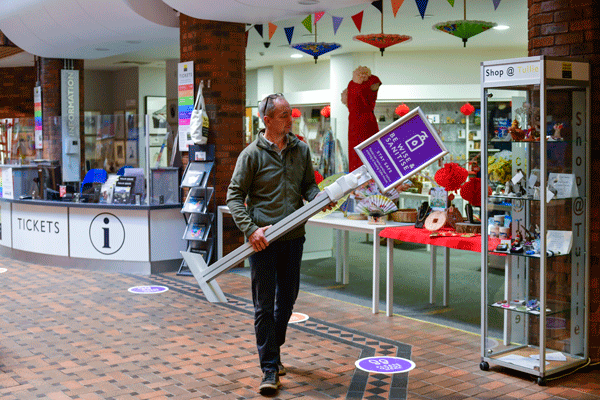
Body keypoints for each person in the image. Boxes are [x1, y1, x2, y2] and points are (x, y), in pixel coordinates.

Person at [227, 93, 333, 395]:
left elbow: (308, 185)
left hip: (293, 237)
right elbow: (234, 196)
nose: (290, 119)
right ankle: (270, 368)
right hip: (263, 241)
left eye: (291, 114)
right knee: (263, 305)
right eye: (284, 115)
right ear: (268, 119)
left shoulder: (300, 149)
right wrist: (250, 230)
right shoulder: (251, 155)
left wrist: (317, 199)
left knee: (287, 300)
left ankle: (274, 346)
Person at [341, 66, 382, 172]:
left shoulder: (373, 80)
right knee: (355, 156)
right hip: (354, 123)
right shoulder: (351, 84)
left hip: (367, 121)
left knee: (370, 153)